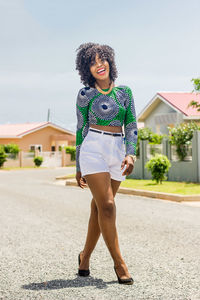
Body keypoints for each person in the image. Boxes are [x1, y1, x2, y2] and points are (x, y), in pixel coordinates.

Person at [75, 42, 138, 285]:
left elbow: (131, 125)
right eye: (92, 62)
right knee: (108, 206)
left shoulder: (125, 92)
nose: (99, 65)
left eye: (102, 60)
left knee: (98, 208)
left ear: (110, 62)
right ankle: (120, 264)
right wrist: (78, 164)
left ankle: (84, 258)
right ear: (86, 69)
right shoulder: (85, 95)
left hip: (117, 149)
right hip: (93, 148)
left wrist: (130, 153)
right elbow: (80, 128)